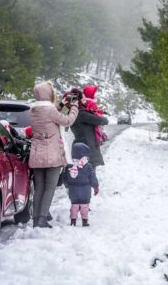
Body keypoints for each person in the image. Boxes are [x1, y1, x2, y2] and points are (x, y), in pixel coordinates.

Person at [29, 81, 78, 228]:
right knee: (49, 188)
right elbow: (68, 121)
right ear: (48, 94)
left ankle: (36, 219)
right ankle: (42, 219)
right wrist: (74, 106)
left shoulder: (34, 110)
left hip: (37, 154)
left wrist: (62, 105)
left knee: (39, 187)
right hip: (52, 155)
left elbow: (50, 115)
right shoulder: (50, 111)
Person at [69, 88, 109, 169]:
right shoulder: (82, 114)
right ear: (78, 101)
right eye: (83, 98)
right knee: (89, 175)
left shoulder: (72, 113)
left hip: (78, 146)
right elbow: (103, 121)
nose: (85, 99)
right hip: (87, 148)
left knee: (81, 174)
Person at [62, 142, 99, 227]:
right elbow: (92, 177)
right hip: (85, 191)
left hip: (73, 191)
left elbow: (65, 177)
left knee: (74, 206)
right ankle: (84, 221)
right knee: (84, 206)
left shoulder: (70, 166)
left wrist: (67, 185)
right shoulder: (88, 166)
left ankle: (73, 221)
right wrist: (96, 187)